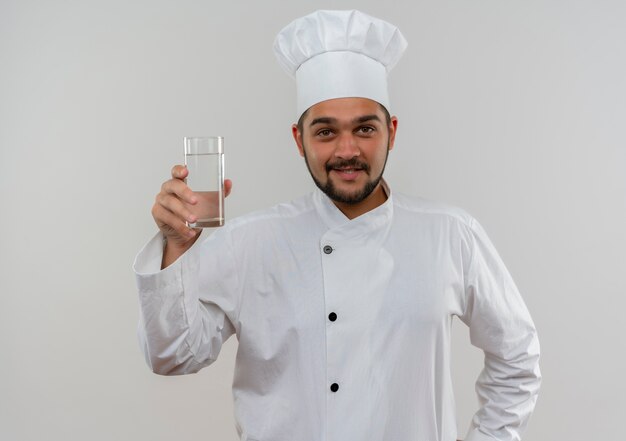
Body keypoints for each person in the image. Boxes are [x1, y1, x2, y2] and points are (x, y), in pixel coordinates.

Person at [133, 10, 541, 441]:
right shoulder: (250, 242)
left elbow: (517, 357)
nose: (348, 150)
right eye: (325, 132)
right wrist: (177, 246)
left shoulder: (450, 234)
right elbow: (172, 356)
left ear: (392, 132)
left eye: (365, 128)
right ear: (299, 139)